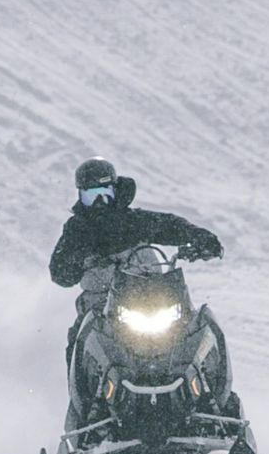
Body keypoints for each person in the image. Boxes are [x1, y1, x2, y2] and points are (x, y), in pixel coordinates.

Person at [49, 156, 223, 373]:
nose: (99, 203)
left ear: (115, 191)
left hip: (150, 294)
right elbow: (59, 273)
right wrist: (77, 256)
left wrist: (200, 238)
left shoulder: (133, 221)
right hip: (101, 306)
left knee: (197, 325)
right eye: (91, 196)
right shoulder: (77, 231)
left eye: (105, 194)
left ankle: (212, 384)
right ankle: (83, 392)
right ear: (80, 196)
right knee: (79, 340)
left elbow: (169, 225)